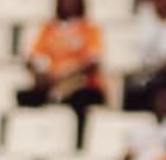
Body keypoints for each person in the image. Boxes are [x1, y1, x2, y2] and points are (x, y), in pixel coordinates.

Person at [17, 0, 107, 134]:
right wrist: (44, 74)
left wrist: (68, 72)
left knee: (81, 99)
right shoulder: (48, 29)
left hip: (80, 84)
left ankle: (78, 139)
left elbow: (92, 62)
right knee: (26, 96)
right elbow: (33, 58)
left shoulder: (88, 29)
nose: (68, 4)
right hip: (51, 82)